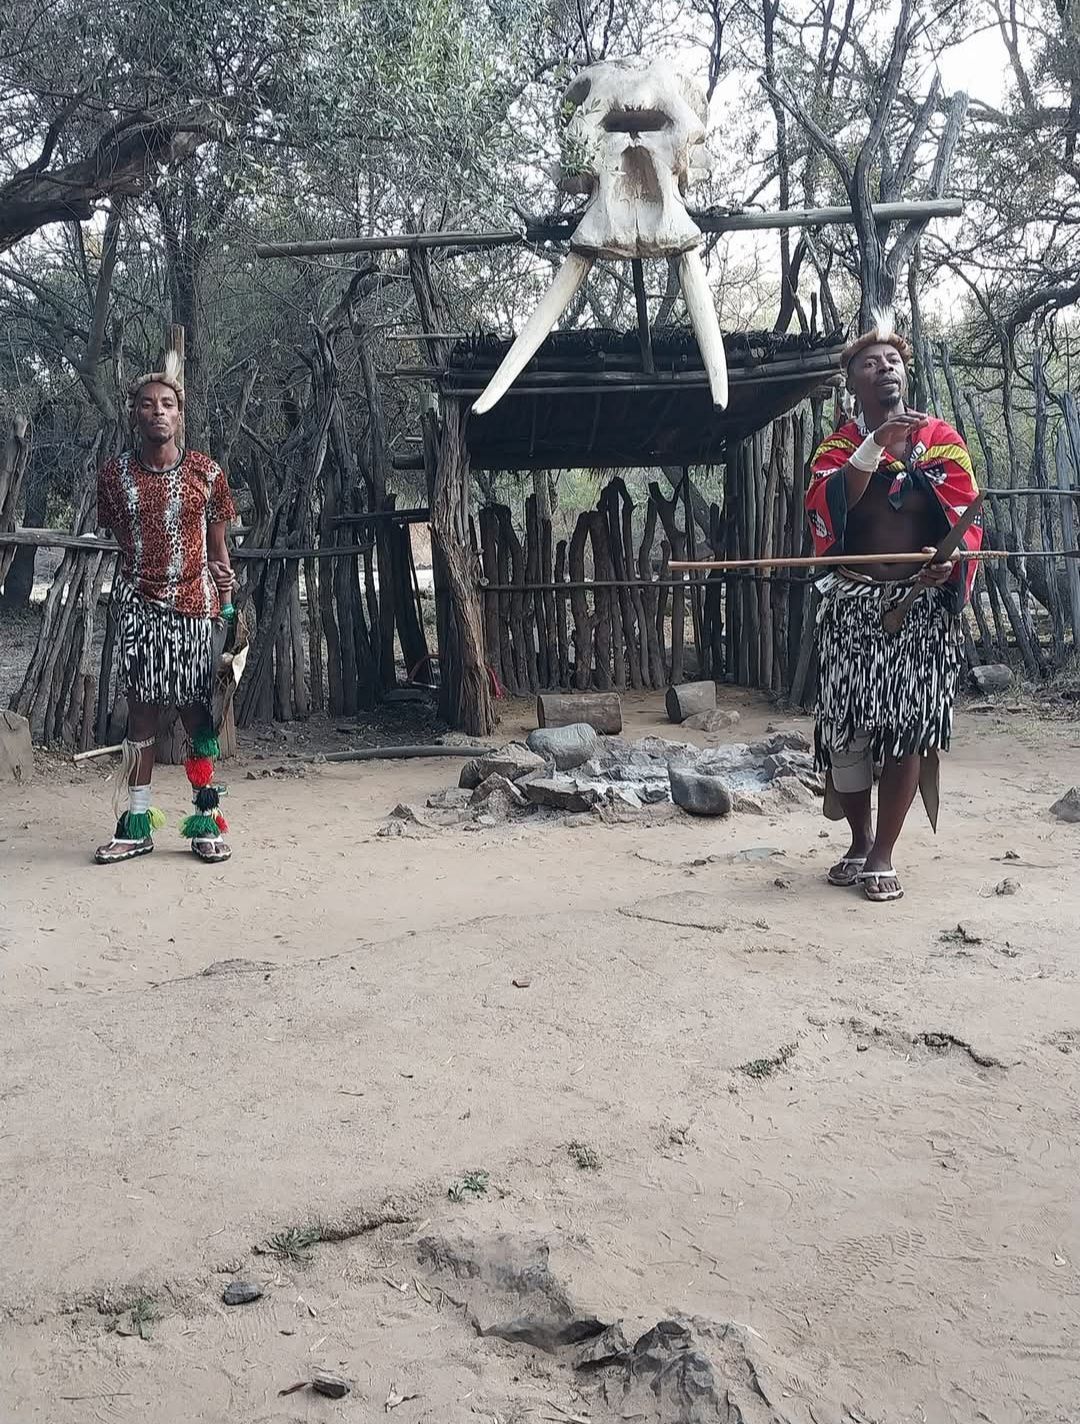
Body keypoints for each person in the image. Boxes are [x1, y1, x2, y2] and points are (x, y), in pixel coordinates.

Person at [805, 313, 982, 903]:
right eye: (871, 362)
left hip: (921, 609)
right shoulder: (837, 447)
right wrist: (872, 449)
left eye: (895, 361)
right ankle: (858, 841)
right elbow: (830, 510)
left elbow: (965, 520)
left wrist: (947, 561)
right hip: (854, 606)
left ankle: (884, 852)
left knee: (909, 728)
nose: (887, 369)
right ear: (851, 380)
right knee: (847, 732)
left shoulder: (942, 440)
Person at [94, 353, 237, 865]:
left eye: (168, 404)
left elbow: (219, 555)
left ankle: (206, 821)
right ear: (134, 413)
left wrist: (226, 608)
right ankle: (136, 826)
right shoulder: (114, 478)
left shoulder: (207, 473)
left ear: (181, 416)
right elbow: (120, 538)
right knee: (141, 723)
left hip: (196, 615)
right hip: (140, 613)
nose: (159, 412)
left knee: (199, 720)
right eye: (148, 404)